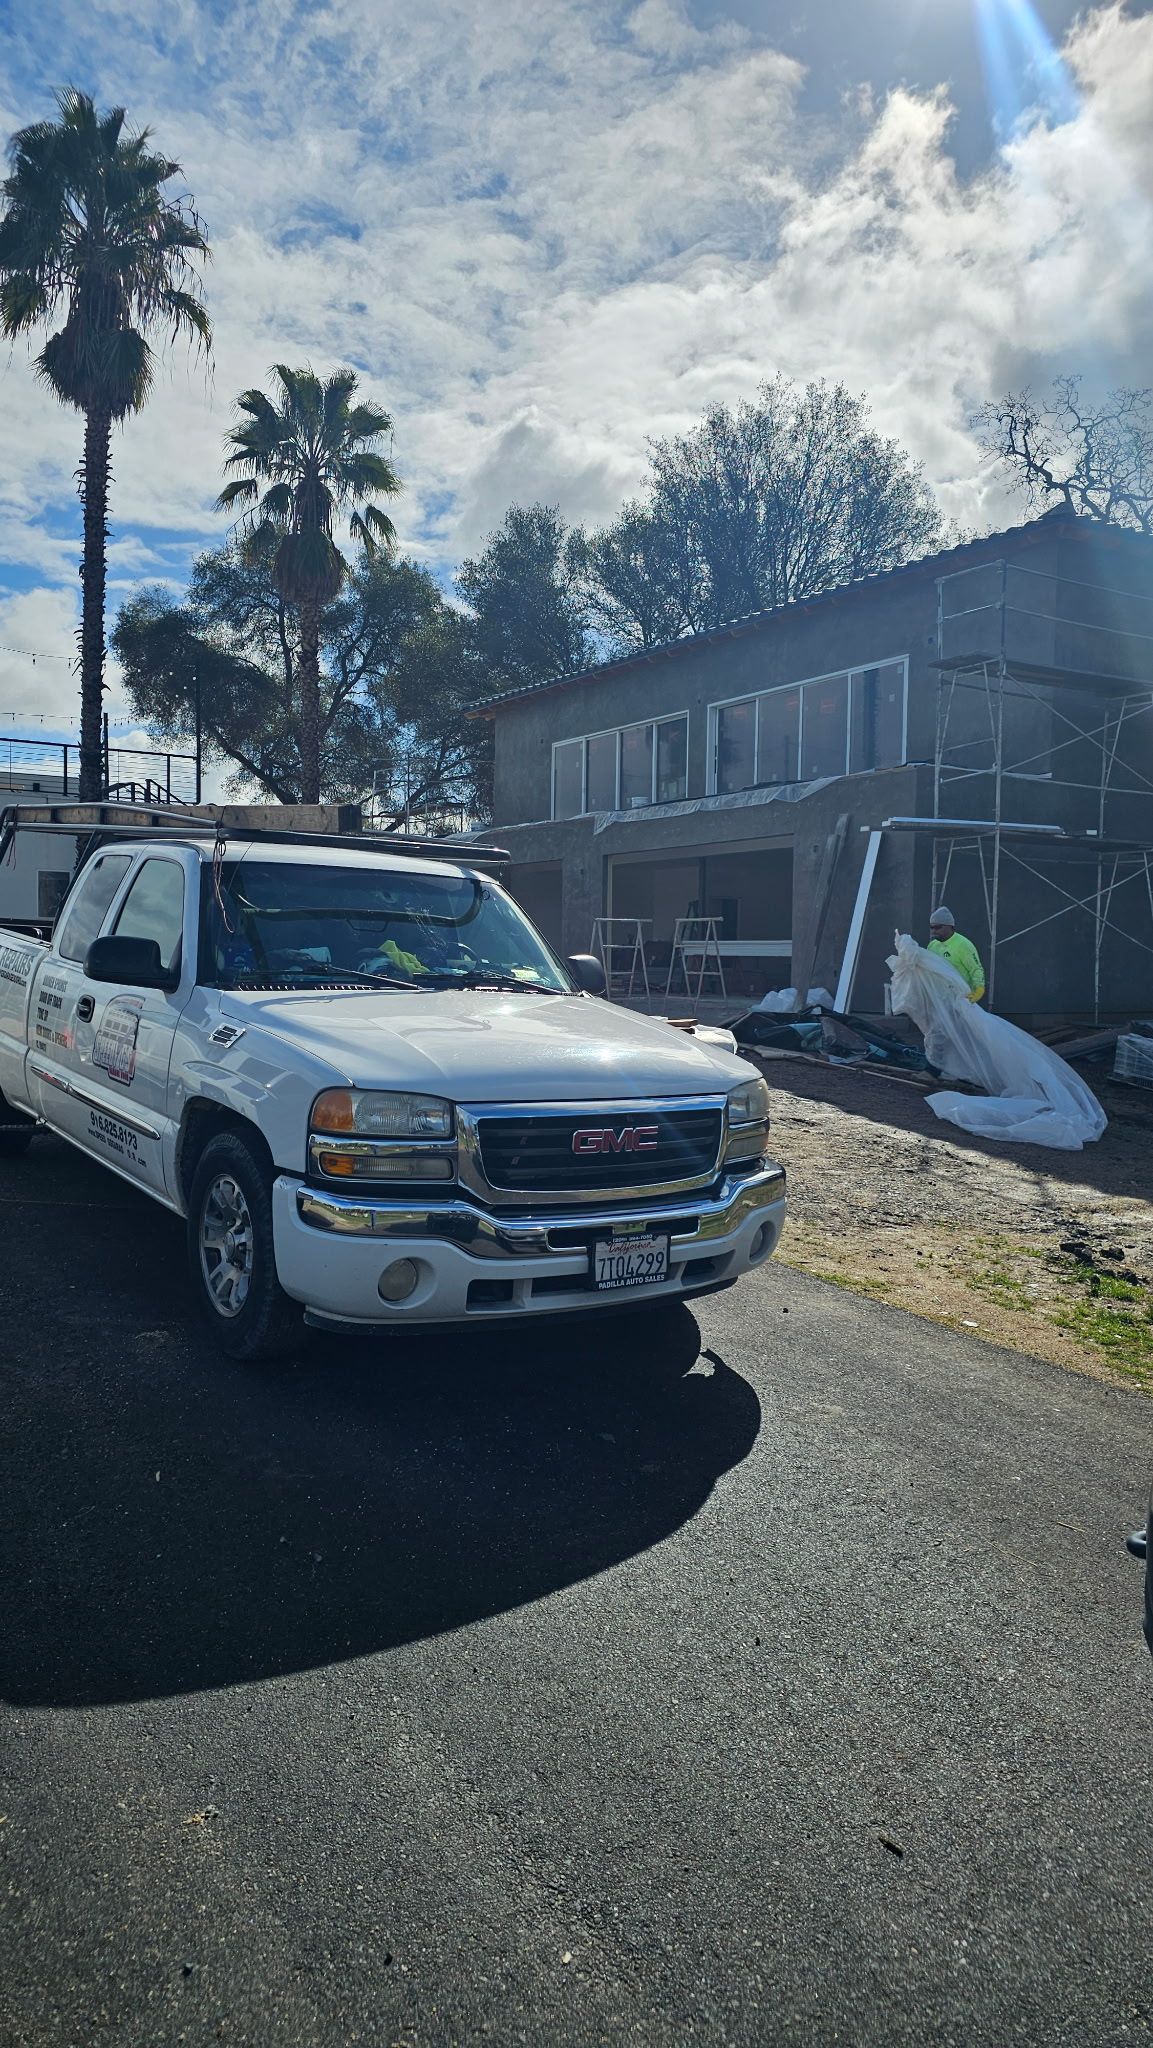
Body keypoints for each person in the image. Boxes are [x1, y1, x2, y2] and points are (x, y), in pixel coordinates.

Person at [927, 906, 985, 1002]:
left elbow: (976, 969)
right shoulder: (932, 946)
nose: (933, 931)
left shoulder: (963, 945)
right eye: (931, 927)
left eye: (937, 927)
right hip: (939, 999)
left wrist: (979, 989)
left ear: (949, 926)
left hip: (961, 998)